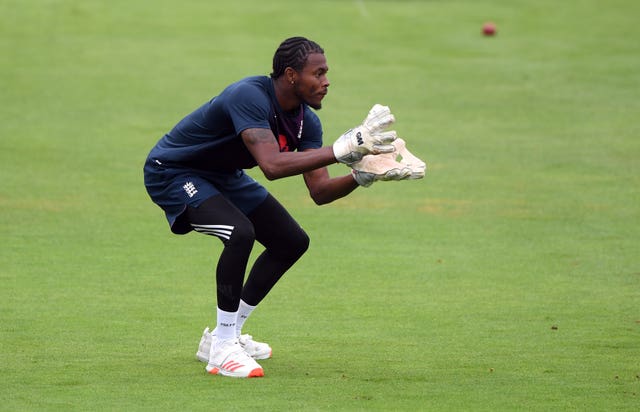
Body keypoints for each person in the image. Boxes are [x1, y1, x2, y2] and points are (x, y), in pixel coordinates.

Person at [143, 36, 421, 378]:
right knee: (239, 232)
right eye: (317, 74)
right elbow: (272, 166)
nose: (326, 81)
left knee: (291, 241)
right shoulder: (248, 96)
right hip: (173, 172)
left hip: (222, 176)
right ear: (291, 75)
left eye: (326, 73)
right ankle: (222, 350)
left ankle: (223, 336)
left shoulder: (307, 122)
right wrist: (343, 147)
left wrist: (362, 175)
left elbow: (319, 190)